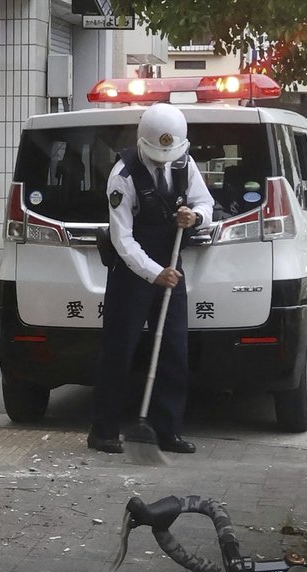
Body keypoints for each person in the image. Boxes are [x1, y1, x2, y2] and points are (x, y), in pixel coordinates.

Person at [88, 103, 214, 455]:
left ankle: (167, 429)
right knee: (119, 350)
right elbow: (122, 239)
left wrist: (195, 216)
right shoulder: (123, 177)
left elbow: (206, 202)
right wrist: (154, 273)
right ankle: (104, 429)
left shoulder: (184, 163)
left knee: (174, 349)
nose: (163, 162)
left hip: (171, 268)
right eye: (158, 156)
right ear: (143, 143)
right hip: (134, 274)